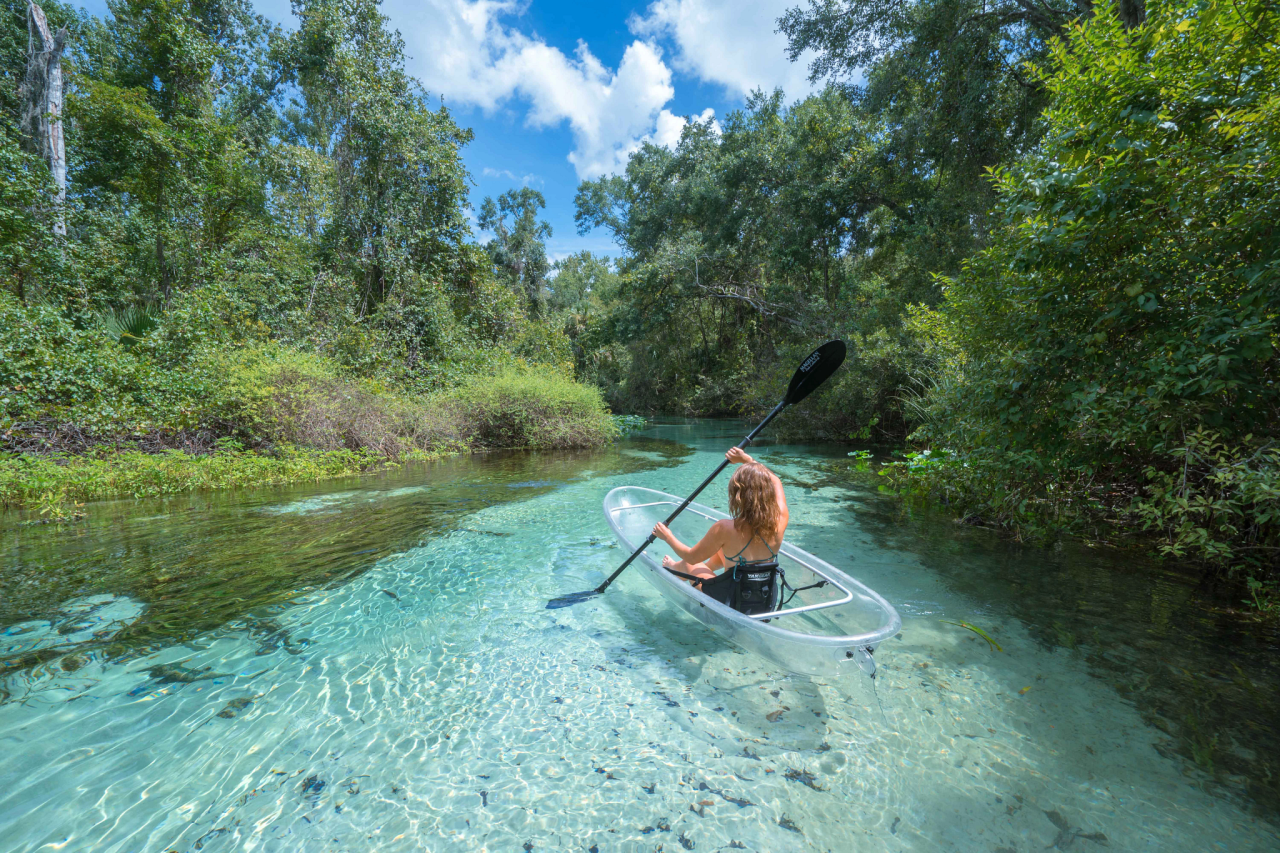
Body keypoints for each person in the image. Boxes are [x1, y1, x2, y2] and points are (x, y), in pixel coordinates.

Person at [651, 447, 789, 592]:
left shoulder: (725, 528)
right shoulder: (780, 519)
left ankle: (674, 569)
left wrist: (667, 536)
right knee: (722, 551)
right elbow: (775, 481)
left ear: (737, 496)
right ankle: (707, 569)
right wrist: (748, 460)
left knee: (687, 564)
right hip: (763, 596)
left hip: (731, 601)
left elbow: (691, 557)